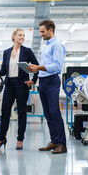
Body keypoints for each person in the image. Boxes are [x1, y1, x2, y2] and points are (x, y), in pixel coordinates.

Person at [0, 28, 39, 150]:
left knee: (21, 112)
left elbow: (36, 67)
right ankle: (1, 138)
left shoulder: (27, 51)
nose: (22, 37)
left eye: (24, 35)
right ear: (14, 36)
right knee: (5, 112)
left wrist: (33, 80)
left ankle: (20, 139)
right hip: (9, 85)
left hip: (22, 84)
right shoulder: (7, 52)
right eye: (20, 35)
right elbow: (3, 70)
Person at [27, 20, 67, 154]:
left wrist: (38, 67)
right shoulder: (47, 46)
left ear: (50, 30)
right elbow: (44, 67)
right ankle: (54, 141)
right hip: (43, 81)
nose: (41, 34)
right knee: (48, 113)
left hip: (51, 81)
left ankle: (62, 144)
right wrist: (36, 72)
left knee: (54, 112)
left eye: (43, 31)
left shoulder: (57, 46)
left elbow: (56, 66)